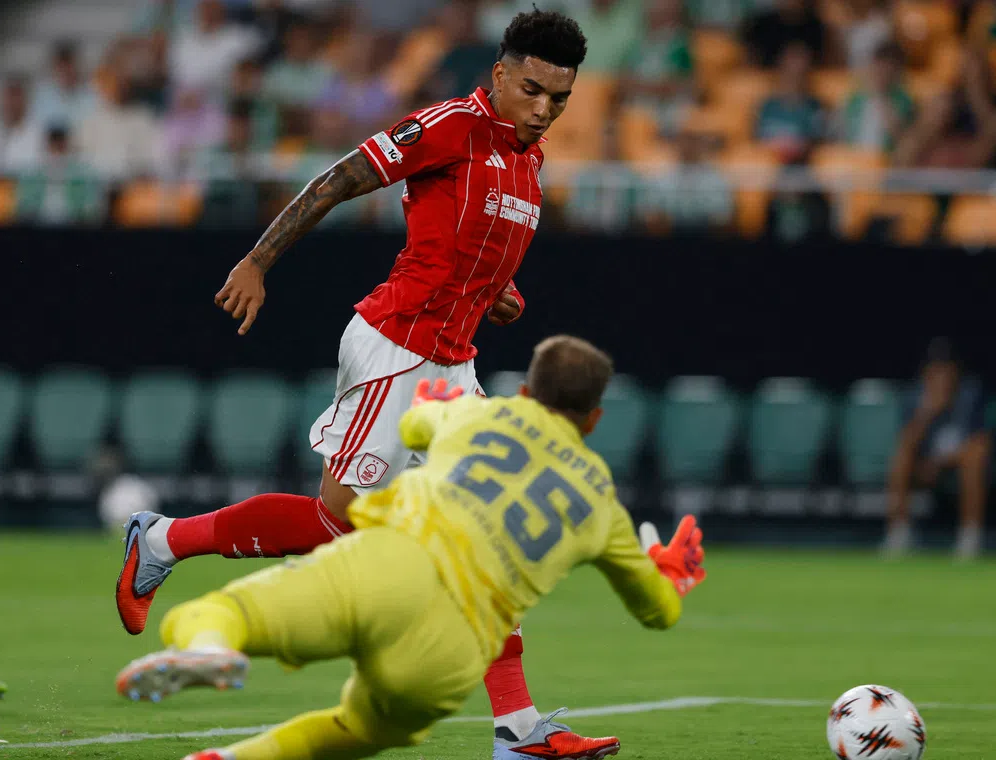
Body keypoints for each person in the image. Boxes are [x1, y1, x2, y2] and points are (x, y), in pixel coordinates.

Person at [115, 9, 619, 759]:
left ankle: (518, 730)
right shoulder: (450, 126)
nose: (544, 110)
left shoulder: (529, 161)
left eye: (560, 100)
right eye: (534, 90)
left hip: (453, 361)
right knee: (337, 522)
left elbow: (473, 245)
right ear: (501, 76)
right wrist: (258, 261)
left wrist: (495, 291)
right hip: (397, 350)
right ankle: (163, 540)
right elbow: (337, 178)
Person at [116, 336, 707, 760]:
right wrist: (671, 575)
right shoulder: (597, 497)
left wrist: (437, 412)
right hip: (451, 643)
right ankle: (515, 729)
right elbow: (659, 610)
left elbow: (422, 426)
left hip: (377, 571)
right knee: (360, 726)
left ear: (526, 391)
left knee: (233, 611)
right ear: (597, 419)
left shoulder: (482, 418)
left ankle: (205, 635)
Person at [883, 338, 992, 560]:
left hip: (956, 465)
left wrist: (940, 462)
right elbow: (906, 443)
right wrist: (927, 412)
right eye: (935, 369)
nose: (941, 375)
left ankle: (969, 537)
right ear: (926, 372)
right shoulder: (915, 397)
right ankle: (899, 534)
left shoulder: (970, 395)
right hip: (923, 467)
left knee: (975, 458)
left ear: (955, 371)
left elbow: (980, 443)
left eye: (946, 369)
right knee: (901, 458)